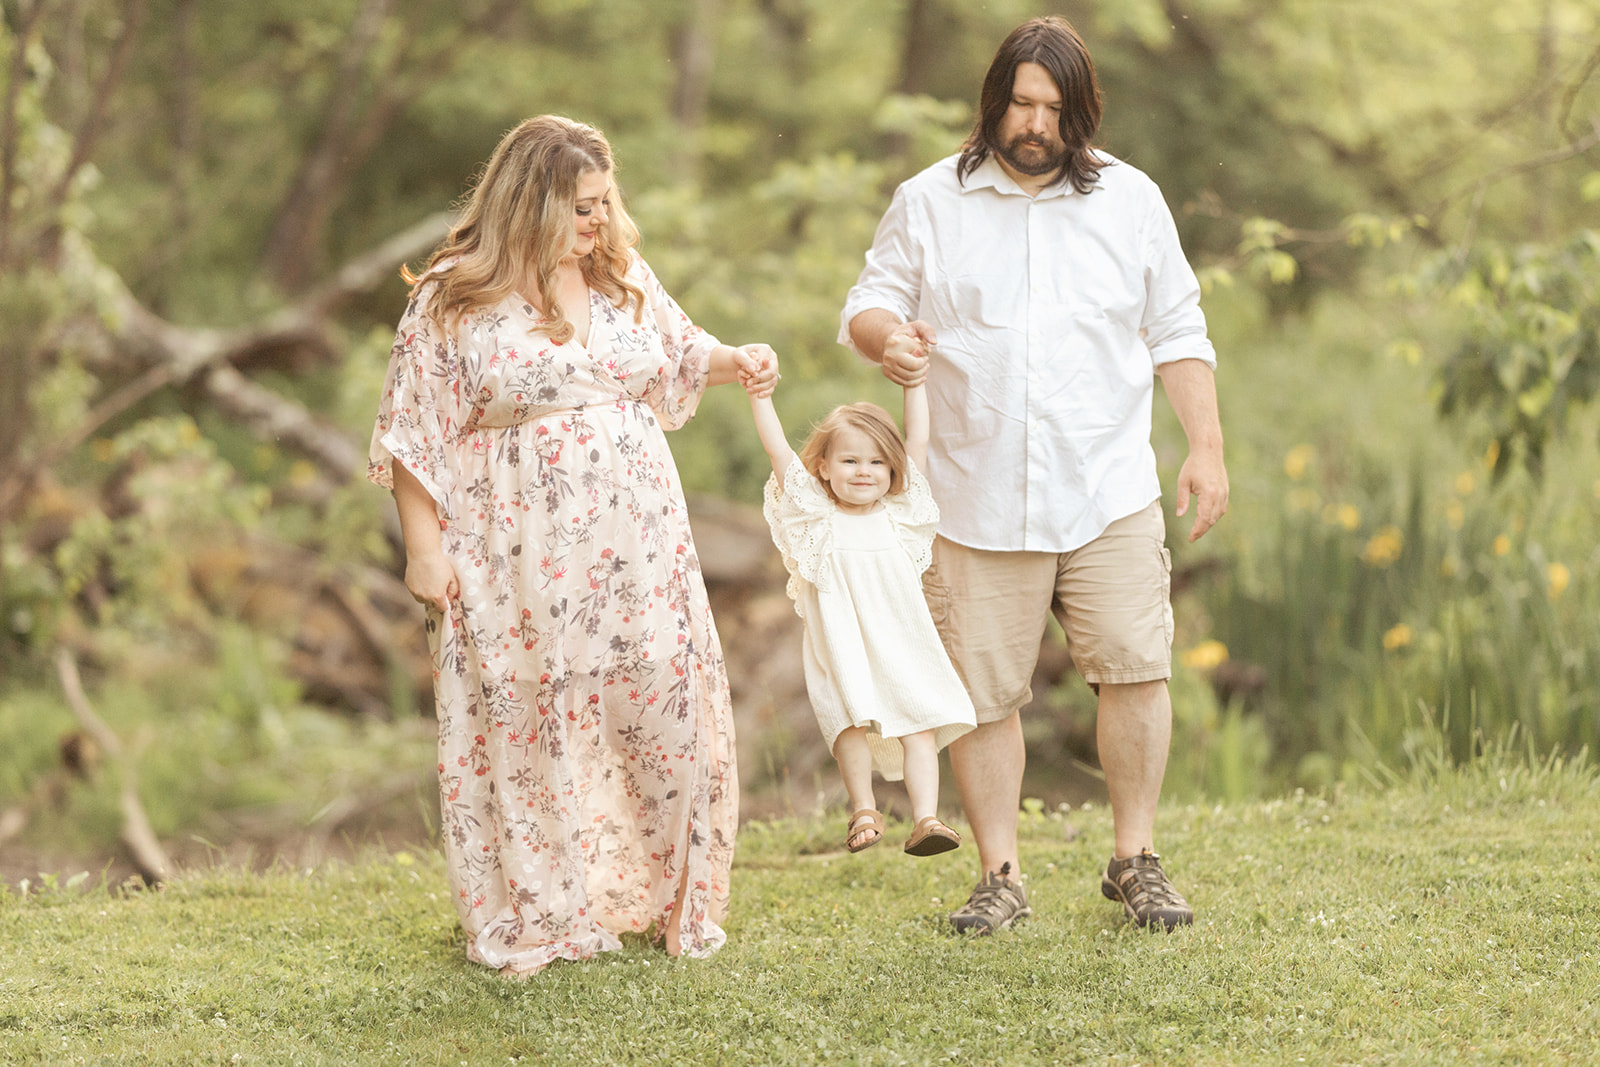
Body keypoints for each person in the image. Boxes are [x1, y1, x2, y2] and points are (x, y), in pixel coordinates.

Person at [840, 16, 1229, 934]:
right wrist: (887, 338)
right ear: (994, 102)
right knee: (982, 694)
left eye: (1054, 108)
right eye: (1020, 103)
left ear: (1080, 114)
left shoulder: (1131, 200)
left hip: (1107, 487)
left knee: (1135, 667)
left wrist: (1205, 448)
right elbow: (868, 303)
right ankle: (1000, 873)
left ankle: (1135, 856)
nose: (1035, 124)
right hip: (972, 493)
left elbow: (1178, 330)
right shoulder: (930, 199)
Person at [368, 115, 777, 975]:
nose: (597, 222)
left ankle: (669, 896)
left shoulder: (619, 273)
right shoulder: (453, 295)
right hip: (514, 541)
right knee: (531, 710)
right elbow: (414, 429)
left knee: (663, 694)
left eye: (603, 204)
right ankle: (546, 907)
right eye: (580, 209)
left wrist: (738, 359)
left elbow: (677, 348)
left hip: (641, 538)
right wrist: (422, 549)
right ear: (529, 203)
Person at [748, 379, 975, 856]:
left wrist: (917, 384)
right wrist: (760, 395)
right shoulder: (815, 519)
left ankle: (927, 818)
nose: (864, 472)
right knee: (849, 724)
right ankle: (864, 808)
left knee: (920, 726)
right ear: (824, 468)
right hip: (843, 645)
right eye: (850, 461)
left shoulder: (900, 516)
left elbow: (918, 441)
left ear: (893, 471)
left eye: (877, 462)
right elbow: (777, 451)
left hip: (902, 645)